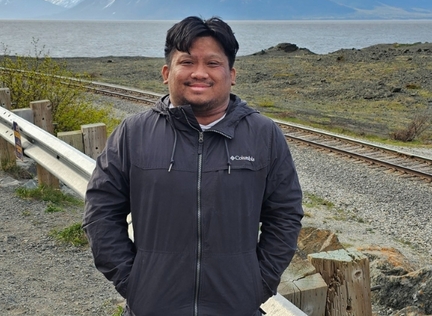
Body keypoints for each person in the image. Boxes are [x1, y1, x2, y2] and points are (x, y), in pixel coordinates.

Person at [83, 16, 303, 316]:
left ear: (231, 74)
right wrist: (134, 282)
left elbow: (285, 215)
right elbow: (101, 210)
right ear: (166, 73)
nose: (199, 73)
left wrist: (258, 284)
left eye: (213, 63)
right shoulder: (133, 133)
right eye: (187, 62)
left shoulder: (264, 135)